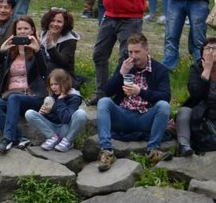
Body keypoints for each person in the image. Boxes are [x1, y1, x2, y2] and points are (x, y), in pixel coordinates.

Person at [96, 33, 171, 171]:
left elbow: (165, 96)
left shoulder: (159, 69)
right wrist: (121, 74)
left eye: (137, 52)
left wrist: (140, 92)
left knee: (164, 106)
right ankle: (107, 151)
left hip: (145, 116)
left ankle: (152, 150)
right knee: (103, 102)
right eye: (130, 52)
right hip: (123, 115)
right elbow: (107, 91)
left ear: (147, 50)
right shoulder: (125, 65)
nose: (133, 56)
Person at [0, 16, 48, 153]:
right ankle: (20, 138)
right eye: (19, 28)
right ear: (15, 31)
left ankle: (7, 139)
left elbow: (45, 74)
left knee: (14, 98)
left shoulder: (39, 49)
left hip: (32, 96)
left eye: (26, 28)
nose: (22, 31)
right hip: (10, 97)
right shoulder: (10, 51)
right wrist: (0, 51)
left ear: (32, 30)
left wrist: (38, 52)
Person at [24, 68, 87, 153]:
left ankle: (68, 141)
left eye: (56, 84)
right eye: (51, 84)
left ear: (64, 83)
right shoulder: (53, 94)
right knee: (29, 113)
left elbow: (66, 119)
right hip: (54, 129)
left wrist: (60, 101)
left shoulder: (74, 97)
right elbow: (54, 118)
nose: (53, 87)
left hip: (66, 129)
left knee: (81, 114)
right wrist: (46, 113)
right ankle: (53, 137)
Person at [174, 38, 216, 156]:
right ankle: (184, 146)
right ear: (202, 53)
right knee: (184, 111)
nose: (211, 52)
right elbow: (196, 93)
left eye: (215, 48)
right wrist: (206, 71)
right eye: (208, 48)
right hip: (201, 113)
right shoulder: (196, 68)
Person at [39, 7, 80, 79]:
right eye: (52, 21)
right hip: (44, 71)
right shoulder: (42, 35)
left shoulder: (70, 40)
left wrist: (50, 46)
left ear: (65, 24)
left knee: (50, 66)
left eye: (59, 22)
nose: (55, 24)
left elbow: (62, 62)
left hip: (63, 76)